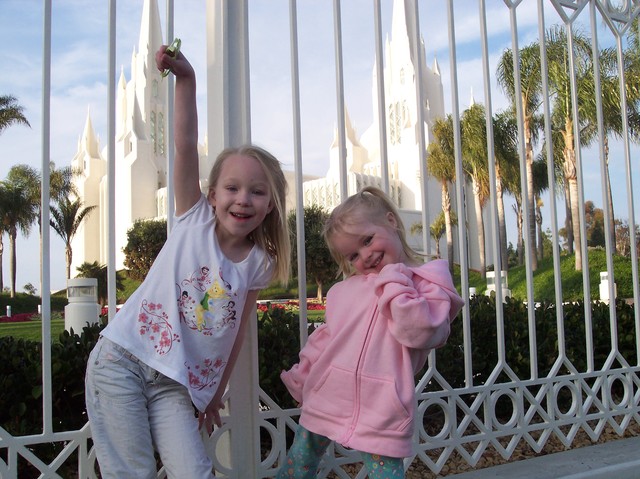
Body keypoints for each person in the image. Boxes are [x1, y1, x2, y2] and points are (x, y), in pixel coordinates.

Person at [85, 43, 291, 479]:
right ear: (212, 194)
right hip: (121, 361)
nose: (243, 199)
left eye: (257, 192)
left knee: (194, 472)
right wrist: (187, 80)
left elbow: (237, 331)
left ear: (271, 204)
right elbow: (183, 143)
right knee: (132, 473)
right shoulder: (192, 218)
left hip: (174, 386)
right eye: (232, 188)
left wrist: (215, 391)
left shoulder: (258, 263)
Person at [276, 186, 464, 479]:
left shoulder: (428, 284)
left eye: (367, 240)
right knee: (299, 463)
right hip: (328, 396)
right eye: (353, 255)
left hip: (382, 407)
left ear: (390, 221)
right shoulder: (344, 291)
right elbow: (326, 338)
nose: (366, 256)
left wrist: (394, 281)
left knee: (386, 474)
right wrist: (304, 375)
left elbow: (421, 333)